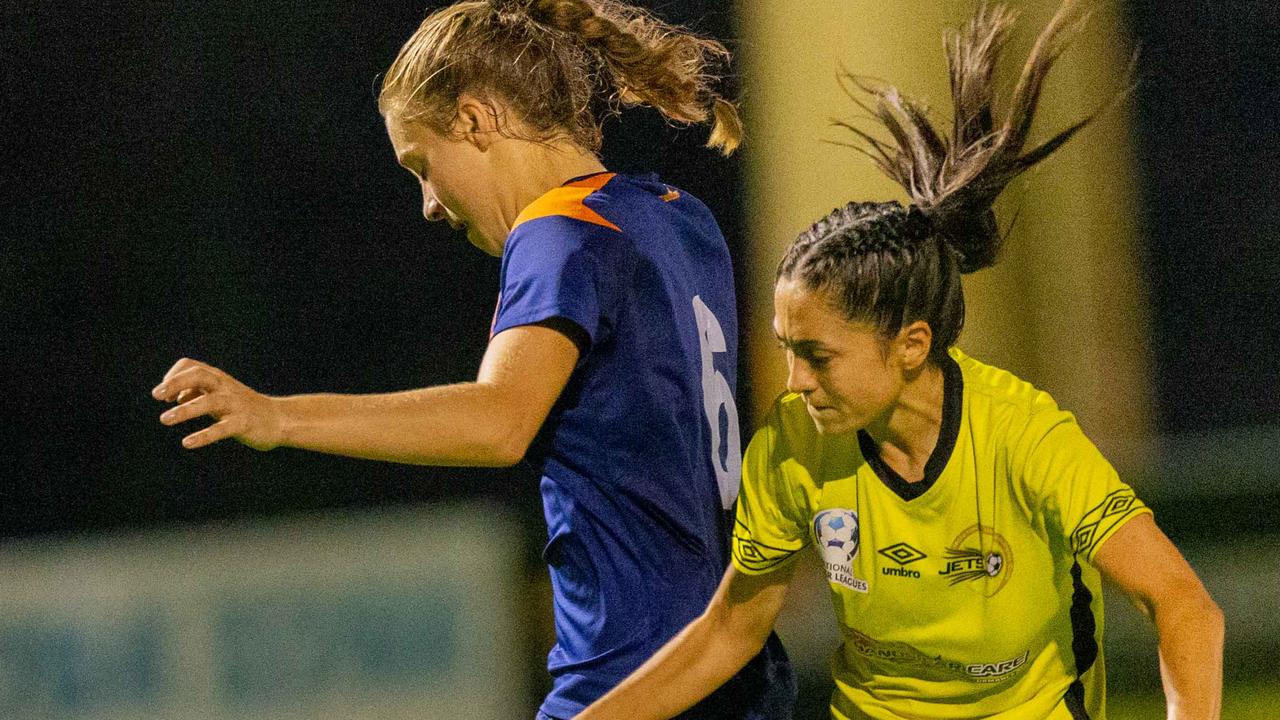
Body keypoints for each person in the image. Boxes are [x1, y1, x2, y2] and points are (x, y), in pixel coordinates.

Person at [574, 2, 1224, 719]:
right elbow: (731, 630)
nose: (795, 382)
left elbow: (1184, 605)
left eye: (818, 356)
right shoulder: (791, 449)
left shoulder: (1023, 438)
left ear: (912, 345)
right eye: (790, 351)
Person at [150, 1, 795, 718]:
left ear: (475, 120)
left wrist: (277, 416)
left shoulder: (557, 229)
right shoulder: (680, 216)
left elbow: (499, 422)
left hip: (631, 675)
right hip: (732, 670)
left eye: (422, 165)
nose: (429, 203)